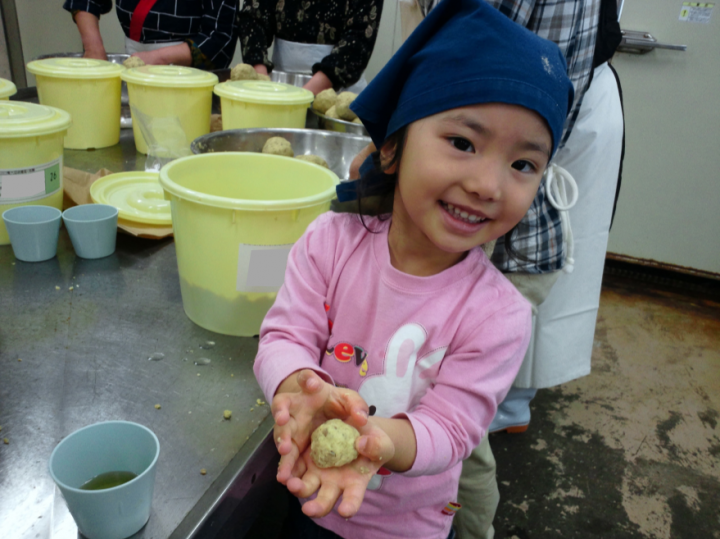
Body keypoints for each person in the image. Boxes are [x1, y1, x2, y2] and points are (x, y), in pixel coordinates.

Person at [252, 1, 575, 537]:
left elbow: (451, 429)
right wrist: (298, 383)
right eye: (463, 143)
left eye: (523, 164)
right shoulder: (330, 244)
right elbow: (284, 332)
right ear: (394, 147)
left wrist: (382, 441)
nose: (488, 185)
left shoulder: (497, 315)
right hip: (307, 490)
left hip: (407, 527)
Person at [237, 0, 383, 95]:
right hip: (278, 88)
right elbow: (253, 18)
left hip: (339, 97)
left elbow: (358, 39)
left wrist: (303, 97)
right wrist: (260, 83)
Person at [62, 0, 239, 70]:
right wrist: (93, 48)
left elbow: (220, 38)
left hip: (193, 86)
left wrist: (157, 59)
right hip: (133, 79)